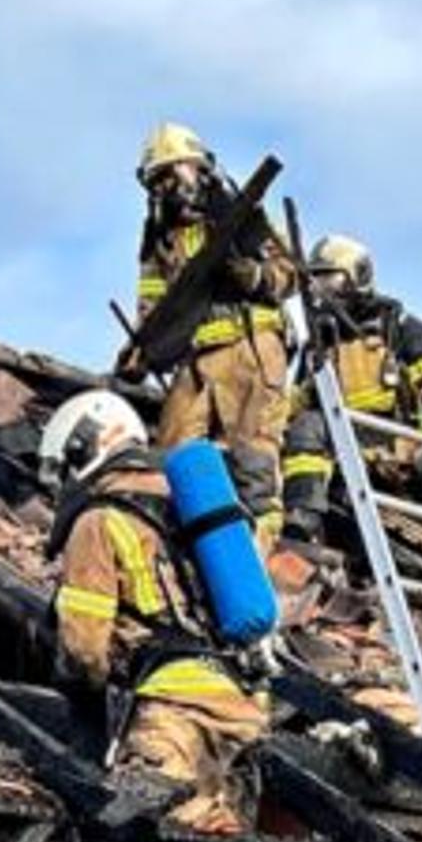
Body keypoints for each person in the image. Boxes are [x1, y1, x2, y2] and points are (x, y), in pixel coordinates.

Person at [38, 388, 267, 838]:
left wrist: (86, 695)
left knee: (134, 837)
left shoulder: (97, 521)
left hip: (172, 714)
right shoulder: (191, 509)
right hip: (240, 709)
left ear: (84, 449)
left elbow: (84, 648)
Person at [128, 122, 295, 546]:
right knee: (171, 454)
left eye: (171, 174)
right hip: (197, 359)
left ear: (198, 168)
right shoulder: (159, 239)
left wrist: (254, 275)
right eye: (157, 181)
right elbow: (152, 306)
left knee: (253, 456)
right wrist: (140, 349)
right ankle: (176, 543)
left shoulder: (241, 215)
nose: (166, 188)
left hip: (252, 346)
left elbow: (290, 273)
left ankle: (260, 548)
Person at [282, 233, 422, 539]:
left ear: (358, 276)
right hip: (340, 437)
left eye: (330, 279)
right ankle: (303, 512)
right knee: (306, 425)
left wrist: (419, 440)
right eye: (317, 281)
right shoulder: (318, 344)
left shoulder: (400, 328)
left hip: (395, 436)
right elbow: (297, 402)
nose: (321, 290)